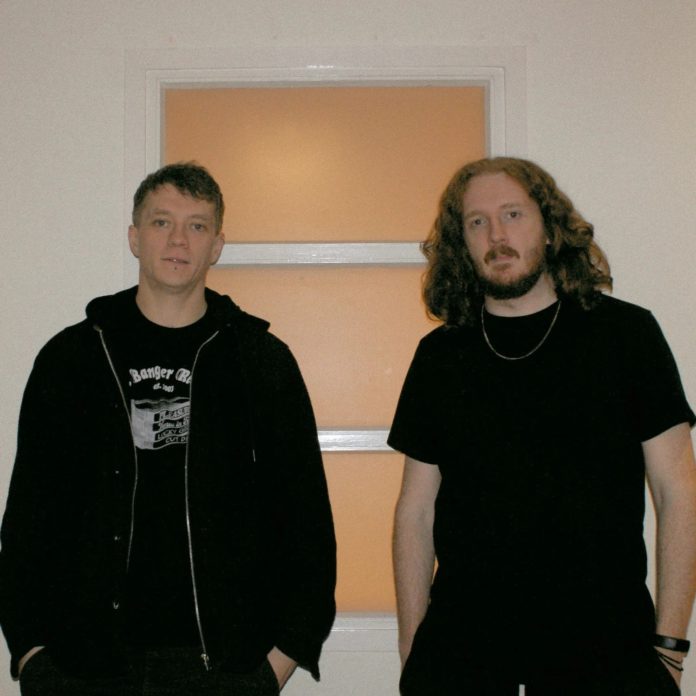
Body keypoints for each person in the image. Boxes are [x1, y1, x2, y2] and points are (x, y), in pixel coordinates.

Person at [0, 162, 336, 695]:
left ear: (216, 245)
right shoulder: (72, 358)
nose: (179, 239)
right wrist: (30, 653)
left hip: (225, 667)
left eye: (197, 226)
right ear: (135, 237)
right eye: (162, 222)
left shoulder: (260, 361)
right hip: (84, 664)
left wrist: (279, 661)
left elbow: (306, 520)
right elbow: (28, 515)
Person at [390, 157, 696, 695]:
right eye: (477, 222)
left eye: (513, 214)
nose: (497, 235)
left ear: (551, 228)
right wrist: (413, 647)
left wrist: (670, 646)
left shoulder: (626, 336)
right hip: (463, 652)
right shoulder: (441, 355)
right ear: (462, 243)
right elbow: (416, 512)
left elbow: (679, 492)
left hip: (606, 651)